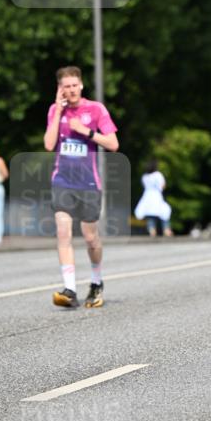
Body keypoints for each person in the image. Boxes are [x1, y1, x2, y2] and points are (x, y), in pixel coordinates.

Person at [43, 66, 119, 309]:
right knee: (63, 233)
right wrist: (58, 114)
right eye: (66, 86)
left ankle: (96, 281)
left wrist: (85, 131)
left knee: (90, 238)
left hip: (88, 183)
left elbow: (113, 144)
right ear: (60, 88)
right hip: (62, 181)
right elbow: (48, 144)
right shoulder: (55, 110)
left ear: (81, 85)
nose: (71, 90)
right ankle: (70, 289)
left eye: (74, 85)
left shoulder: (96, 109)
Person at [134, 160, 172, 237]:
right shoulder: (158, 175)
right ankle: (166, 229)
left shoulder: (144, 176)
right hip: (156, 196)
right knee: (164, 212)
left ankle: (152, 230)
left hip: (147, 196)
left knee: (150, 215)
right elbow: (162, 186)